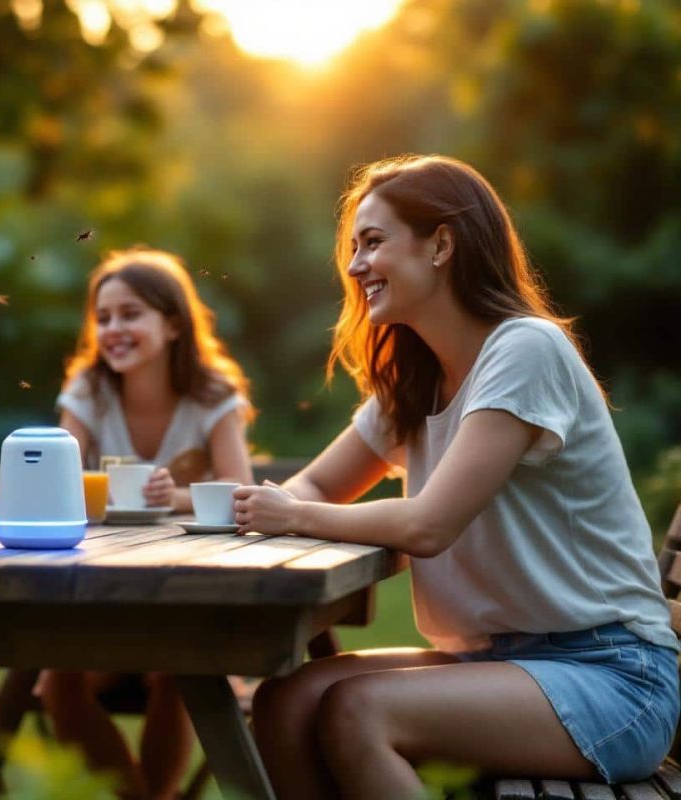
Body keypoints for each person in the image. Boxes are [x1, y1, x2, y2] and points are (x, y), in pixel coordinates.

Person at [235, 155, 680, 799]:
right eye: (353, 247)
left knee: (360, 712)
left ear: (442, 243)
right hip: (497, 661)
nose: (356, 266)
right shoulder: (414, 378)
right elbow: (313, 487)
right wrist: (269, 502)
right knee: (285, 703)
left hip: (611, 674)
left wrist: (295, 516)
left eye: (373, 242)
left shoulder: (524, 350)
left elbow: (428, 524)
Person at [40, 247, 256, 799]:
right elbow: (58, 477)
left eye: (130, 313)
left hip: (180, 599)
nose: (113, 328)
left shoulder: (212, 396)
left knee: (178, 668)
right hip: (94, 600)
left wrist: (174, 496)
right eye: (104, 317)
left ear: (174, 323)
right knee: (56, 678)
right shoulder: (89, 391)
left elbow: (240, 489)